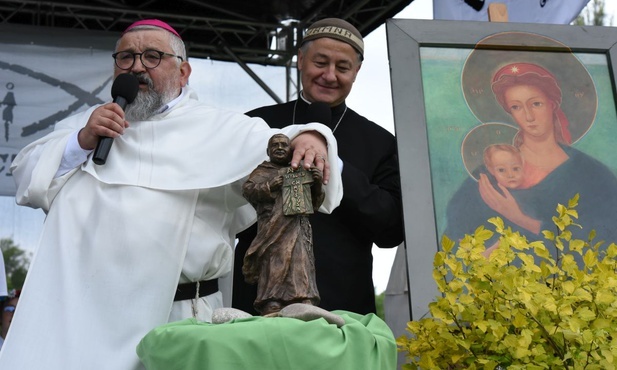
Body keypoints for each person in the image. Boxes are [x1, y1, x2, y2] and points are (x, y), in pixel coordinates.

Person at [2, 19, 342, 370]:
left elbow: (284, 143)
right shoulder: (87, 125)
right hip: (84, 321)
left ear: (183, 72)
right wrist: (81, 141)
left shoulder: (217, 127)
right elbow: (29, 176)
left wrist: (313, 135)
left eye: (152, 56)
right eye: (126, 57)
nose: (136, 66)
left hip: (179, 318)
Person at [233, 18, 404, 316]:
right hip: (257, 299)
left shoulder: (380, 142)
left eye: (342, 67)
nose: (329, 75)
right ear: (300, 60)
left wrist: (333, 164)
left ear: (357, 72)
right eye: (320, 62)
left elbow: (391, 230)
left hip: (342, 304)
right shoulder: (256, 124)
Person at [445, 62, 617, 248]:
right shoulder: (488, 173)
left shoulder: (592, 174)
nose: (528, 116)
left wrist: (519, 217)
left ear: (552, 104)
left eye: (536, 104)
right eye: (516, 107)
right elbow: (454, 238)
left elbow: (604, 240)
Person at [242, 134, 324, 315]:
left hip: (297, 226)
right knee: (274, 262)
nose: (279, 148)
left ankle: (303, 297)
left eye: (284, 145)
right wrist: (270, 185)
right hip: (272, 227)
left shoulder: (299, 171)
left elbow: (315, 203)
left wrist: (317, 183)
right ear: (268, 151)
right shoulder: (262, 171)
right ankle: (271, 300)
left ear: (291, 150)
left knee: (300, 261)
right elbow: (248, 190)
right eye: (275, 145)